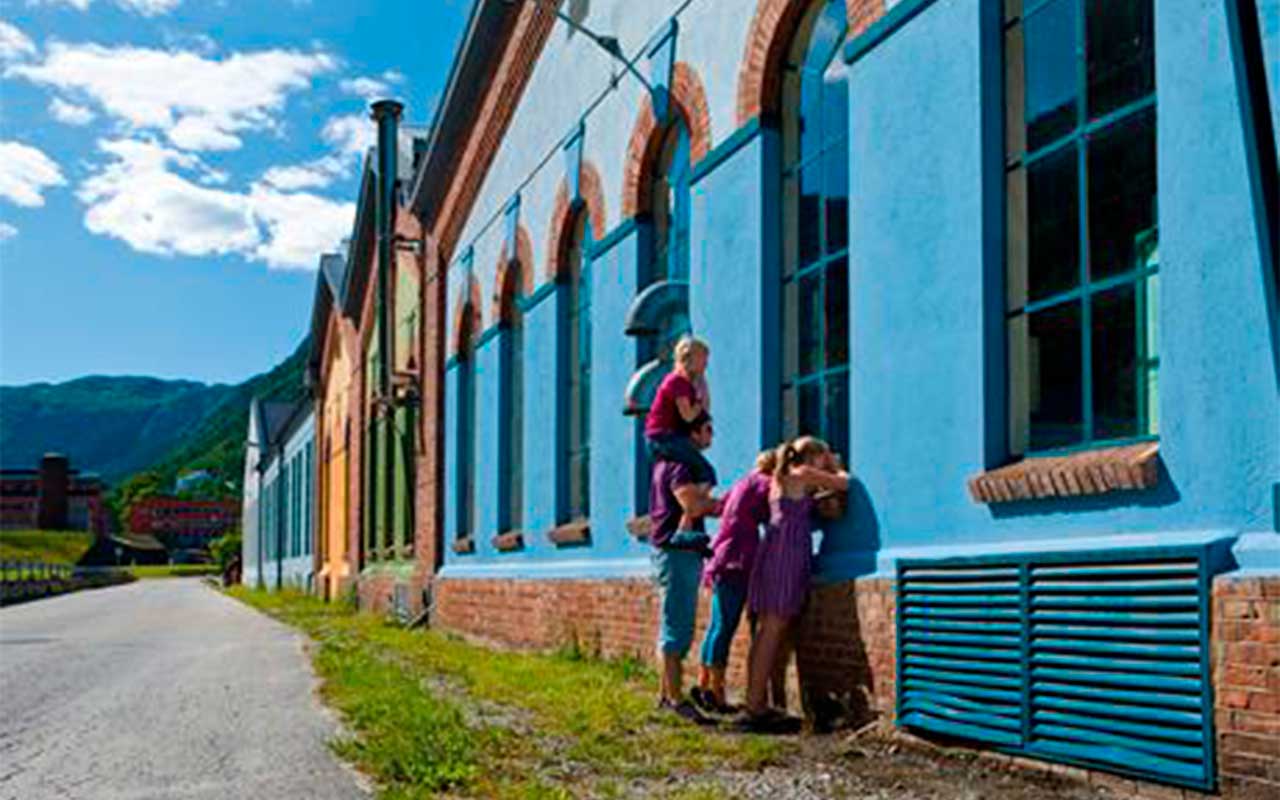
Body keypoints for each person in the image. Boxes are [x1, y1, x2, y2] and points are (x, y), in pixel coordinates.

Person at [738, 436, 849, 731]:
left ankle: (754, 700)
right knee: (773, 630)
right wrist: (836, 467)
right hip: (785, 556)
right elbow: (845, 483)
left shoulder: (782, 478)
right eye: (824, 457)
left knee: (765, 632)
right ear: (814, 457)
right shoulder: (802, 473)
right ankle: (754, 706)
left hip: (773, 552)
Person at [691, 448, 777, 714]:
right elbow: (778, 509)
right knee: (725, 625)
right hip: (738, 558)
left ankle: (704, 683)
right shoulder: (765, 483)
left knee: (716, 624)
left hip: (722, 554)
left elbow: (721, 507)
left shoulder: (743, 483)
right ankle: (715, 690)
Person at [649, 414, 718, 724]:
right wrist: (724, 504)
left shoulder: (666, 463)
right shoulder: (681, 466)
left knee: (672, 624)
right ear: (691, 434)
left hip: (671, 551)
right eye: (707, 430)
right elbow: (691, 505)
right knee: (677, 628)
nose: (712, 436)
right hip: (677, 553)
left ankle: (667, 696)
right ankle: (676, 701)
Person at [644, 335, 715, 484]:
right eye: (703, 358)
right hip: (663, 438)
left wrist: (702, 381)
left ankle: (691, 501)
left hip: (667, 438)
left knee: (689, 473)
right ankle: (696, 505)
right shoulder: (676, 381)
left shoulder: (687, 384)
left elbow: (703, 412)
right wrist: (699, 402)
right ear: (690, 358)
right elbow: (688, 416)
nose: (706, 363)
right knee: (705, 473)